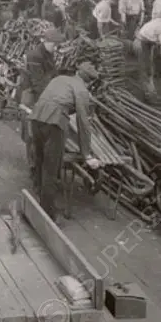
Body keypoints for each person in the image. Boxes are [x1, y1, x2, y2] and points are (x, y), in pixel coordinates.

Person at [28, 63, 101, 223]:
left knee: (40, 162)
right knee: (51, 169)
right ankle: (47, 216)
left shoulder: (60, 79)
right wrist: (87, 154)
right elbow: (83, 123)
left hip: (36, 118)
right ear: (89, 82)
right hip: (54, 123)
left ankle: (38, 198)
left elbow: (49, 99)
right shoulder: (82, 90)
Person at [19, 28, 63, 179]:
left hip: (44, 92)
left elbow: (53, 74)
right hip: (31, 95)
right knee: (32, 131)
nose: (56, 48)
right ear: (46, 41)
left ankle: (42, 163)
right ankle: (34, 167)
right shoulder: (34, 56)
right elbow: (37, 83)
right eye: (54, 44)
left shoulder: (48, 53)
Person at [134, 11, 161, 99]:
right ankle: (149, 95)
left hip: (144, 42)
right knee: (146, 70)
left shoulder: (159, 20)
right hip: (142, 43)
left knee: (149, 69)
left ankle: (150, 91)